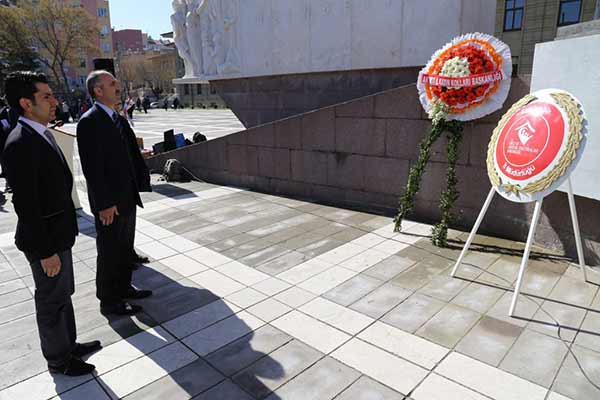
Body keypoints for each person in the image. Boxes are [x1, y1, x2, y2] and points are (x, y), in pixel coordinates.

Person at [2, 71, 100, 376]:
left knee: (62, 294)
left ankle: (68, 345)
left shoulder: (40, 133)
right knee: (50, 300)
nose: (54, 101)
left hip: (58, 235)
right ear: (26, 104)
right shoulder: (20, 143)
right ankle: (59, 359)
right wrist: (45, 252)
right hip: (45, 241)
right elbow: (27, 206)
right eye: (46, 96)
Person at [77, 70, 152, 317]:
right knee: (110, 252)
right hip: (110, 203)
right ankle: (109, 301)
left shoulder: (116, 118)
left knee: (124, 248)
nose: (118, 87)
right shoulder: (90, 121)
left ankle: (124, 287)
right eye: (112, 84)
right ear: (98, 91)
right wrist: (104, 204)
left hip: (127, 196)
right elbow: (93, 168)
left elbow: (125, 154)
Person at [114, 99, 152, 267]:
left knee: (129, 225)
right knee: (117, 230)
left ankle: (129, 253)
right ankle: (121, 260)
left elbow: (132, 150)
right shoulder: (92, 121)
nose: (118, 98)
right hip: (114, 188)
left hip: (129, 183)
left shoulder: (120, 120)